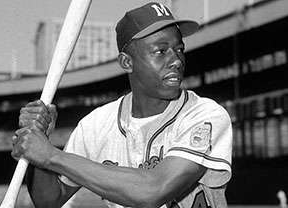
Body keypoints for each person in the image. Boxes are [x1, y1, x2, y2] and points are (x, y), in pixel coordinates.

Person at [12, 2, 233, 208]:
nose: (176, 60)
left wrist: (51, 156)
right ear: (127, 62)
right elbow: (49, 199)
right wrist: (38, 149)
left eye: (179, 49)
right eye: (161, 51)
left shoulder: (205, 115)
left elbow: (152, 190)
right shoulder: (96, 125)